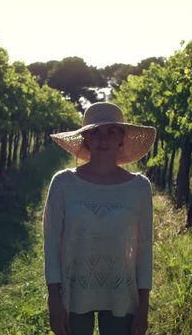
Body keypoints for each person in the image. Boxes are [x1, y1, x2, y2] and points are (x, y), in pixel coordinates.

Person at [43, 102, 156, 335]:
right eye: (95, 131)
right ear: (85, 139)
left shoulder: (139, 188)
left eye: (111, 131)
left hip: (121, 294)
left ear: (121, 139)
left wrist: (144, 305)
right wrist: (53, 299)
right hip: (72, 293)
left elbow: (144, 248)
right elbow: (51, 242)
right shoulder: (63, 183)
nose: (103, 138)